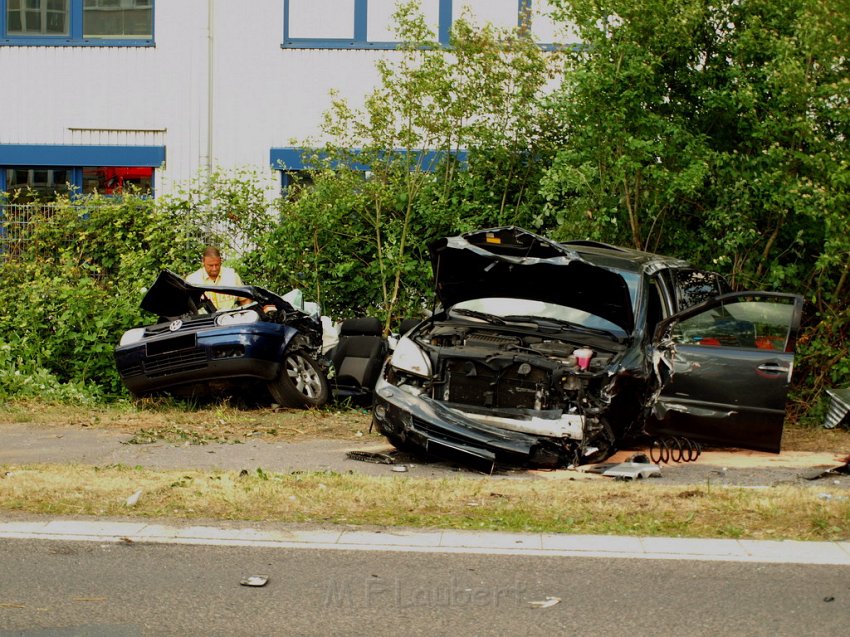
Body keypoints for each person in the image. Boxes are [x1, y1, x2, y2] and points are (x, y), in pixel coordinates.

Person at [185, 246, 249, 310]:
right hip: (205, 318)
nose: (214, 269)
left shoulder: (232, 276)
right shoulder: (192, 280)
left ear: (220, 260)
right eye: (210, 265)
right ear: (203, 262)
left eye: (217, 265)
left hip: (230, 317)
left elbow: (245, 301)